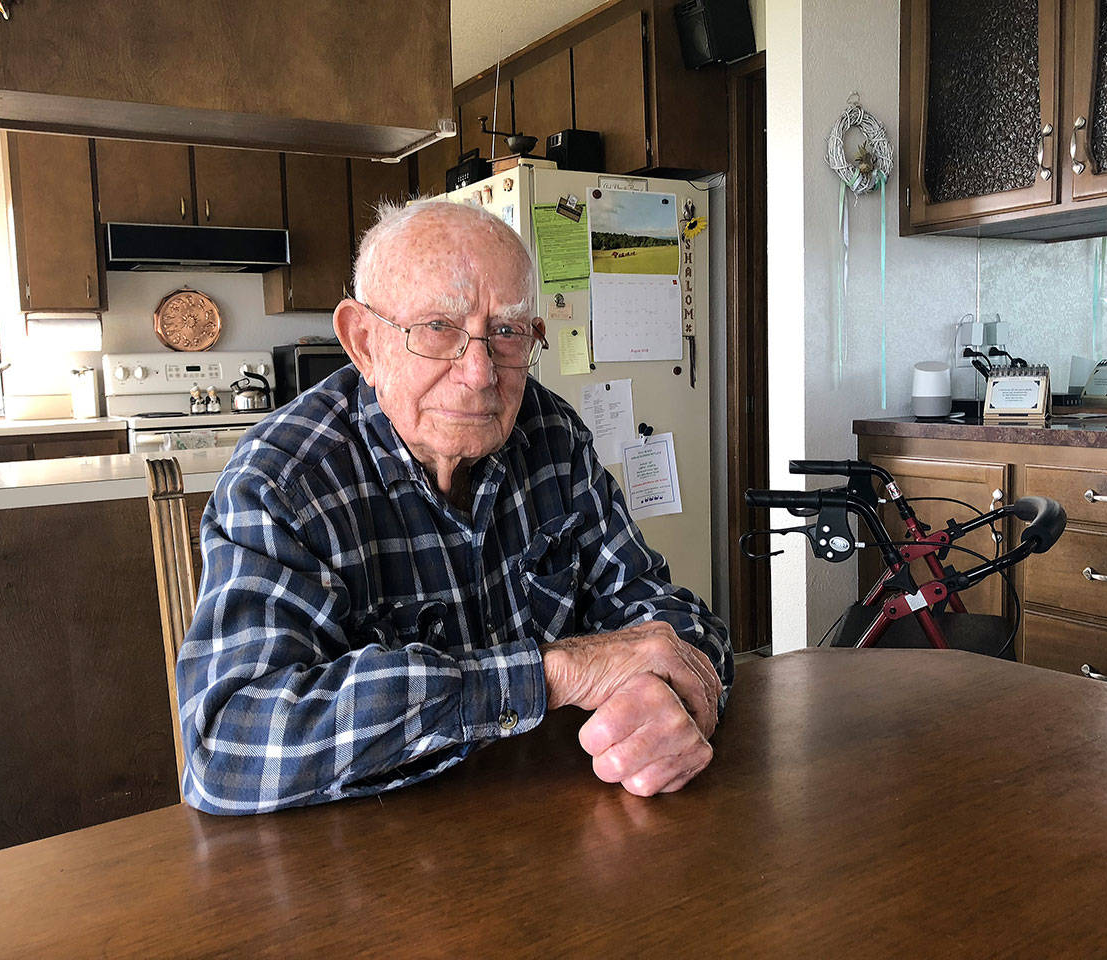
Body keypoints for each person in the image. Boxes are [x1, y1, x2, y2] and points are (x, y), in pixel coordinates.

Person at [177, 200, 733, 814]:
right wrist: (548, 673)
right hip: (368, 872)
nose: (479, 373)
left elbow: (659, 615)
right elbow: (226, 748)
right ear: (364, 342)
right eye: (438, 328)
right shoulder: (285, 480)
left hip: (559, 826)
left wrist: (691, 683)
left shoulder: (550, 434)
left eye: (507, 331)